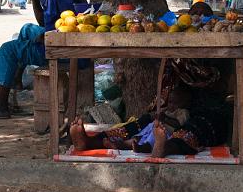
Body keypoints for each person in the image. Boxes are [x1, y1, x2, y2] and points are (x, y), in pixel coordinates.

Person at [69, 59, 231, 158]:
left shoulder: (217, 56)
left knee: (194, 129)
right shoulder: (181, 57)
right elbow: (169, 90)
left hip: (210, 111)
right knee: (145, 120)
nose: (198, 17)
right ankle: (93, 141)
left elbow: (215, 80)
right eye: (194, 13)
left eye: (203, 13)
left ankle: (163, 147)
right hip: (181, 107)